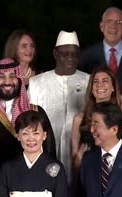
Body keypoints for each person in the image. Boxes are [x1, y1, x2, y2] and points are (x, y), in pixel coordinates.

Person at [0, 58, 56, 181]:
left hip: (32, 187)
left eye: (12, 76)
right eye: (2, 76)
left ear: (19, 78)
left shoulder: (36, 112)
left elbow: (49, 152)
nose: (7, 81)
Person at [29, 30, 89, 185]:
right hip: (46, 150)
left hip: (81, 151)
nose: (70, 57)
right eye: (65, 53)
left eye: (74, 54)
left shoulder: (89, 81)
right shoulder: (37, 82)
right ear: (55, 53)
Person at [72, 67, 122, 170]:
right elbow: (75, 162)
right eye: (95, 82)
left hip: (118, 176)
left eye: (105, 81)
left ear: (113, 87)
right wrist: (79, 158)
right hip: (89, 174)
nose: (99, 84)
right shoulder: (79, 120)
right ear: (91, 89)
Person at [79, 7, 122, 94]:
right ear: (101, 26)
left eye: (118, 22)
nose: (113, 26)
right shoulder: (86, 56)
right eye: (109, 21)